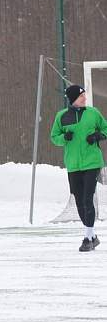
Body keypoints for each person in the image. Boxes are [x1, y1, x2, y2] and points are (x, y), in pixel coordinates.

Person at [50, 84, 107, 251]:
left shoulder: (93, 113)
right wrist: (64, 137)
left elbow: (106, 128)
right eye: (81, 96)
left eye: (84, 95)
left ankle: (87, 238)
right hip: (73, 164)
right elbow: (54, 137)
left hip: (92, 162)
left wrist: (97, 135)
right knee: (79, 201)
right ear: (73, 98)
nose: (85, 98)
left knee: (88, 199)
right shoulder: (61, 116)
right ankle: (93, 236)